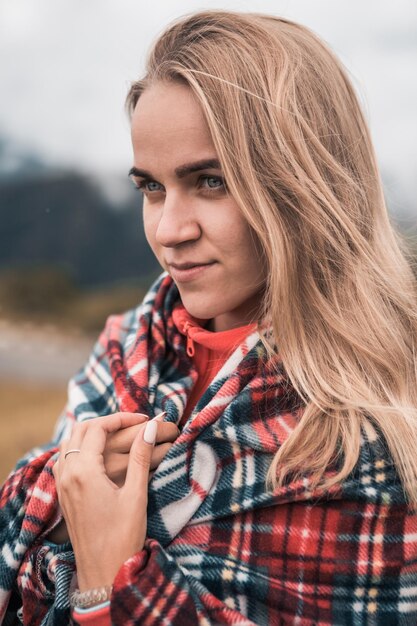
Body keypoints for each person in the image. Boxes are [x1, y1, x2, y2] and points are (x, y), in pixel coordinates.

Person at [1, 9, 417, 625]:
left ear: (303, 183)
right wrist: (62, 501)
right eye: (150, 187)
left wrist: (111, 581)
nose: (169, 230)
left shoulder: (375, 431)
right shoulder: (129, 346)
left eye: (211, 181)